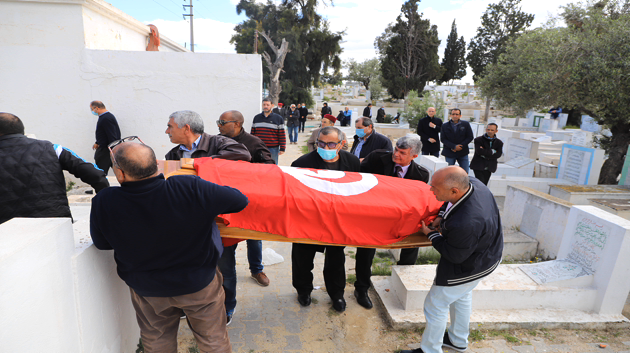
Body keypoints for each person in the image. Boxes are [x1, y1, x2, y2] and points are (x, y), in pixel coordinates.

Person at [90, 138, 249, 353]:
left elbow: (101, 243)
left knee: (157, 343)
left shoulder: (105, 200)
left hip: (148, 290)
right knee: (213, 342)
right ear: (156, 163)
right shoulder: (187, 187)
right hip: (198, 284)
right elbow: (239, 200)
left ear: (120, 174)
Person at [401, 166, 503, 353]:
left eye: (435, 189)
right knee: (461, 296)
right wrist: (441, 215)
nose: (432, 191)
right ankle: (457, 340)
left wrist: (431, 234)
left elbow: (454, 255)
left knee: (435, 304)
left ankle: (430, 350)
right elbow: (450, 205)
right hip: (487, 254)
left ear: (454, 190)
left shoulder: (466, 222)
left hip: (469, 263)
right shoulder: (473, 183)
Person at [355, 134, 430, 309]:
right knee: (366, 251)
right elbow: (358, 179)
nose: (396, 154)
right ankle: (362, 288)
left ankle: (402, 282)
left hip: (401, 218)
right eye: (396, 149)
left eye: (402, 153)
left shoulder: (421, 174)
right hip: (374, 215)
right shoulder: (376, 158)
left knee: (411, 247)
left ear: (414, 156)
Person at [291, 126, 360, 313]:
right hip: (309, 220)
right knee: (302, 259)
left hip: (338, 221)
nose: (324, 147)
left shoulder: (352, 162)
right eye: (321, 143)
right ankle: (303, 291)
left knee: (336, 260)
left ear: (341, 145)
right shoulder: (302, 163)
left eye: (330, 144)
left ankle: (336, 294)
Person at [0, 112, 109, 225]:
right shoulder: (52, 149)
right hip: (56, 226)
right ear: (22, 130)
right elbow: (96, 175)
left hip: (8, 231)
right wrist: (104, 207)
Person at [217, 110, 273, 324]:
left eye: (223, 122)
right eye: (219, 122)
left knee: (254, 237)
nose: (219, 125)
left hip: (250, 203)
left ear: (238, 124)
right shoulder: (217, 141)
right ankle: (226, 301)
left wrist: (245, 173)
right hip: (224, 205)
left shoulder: (254, 143)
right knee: (226, 248)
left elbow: (270, 168)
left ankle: (256, 270)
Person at [164, 110, 251, 161]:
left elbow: (242, 154)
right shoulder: (172, 155)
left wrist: (200, 162)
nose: (167, 131)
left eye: (170, 127)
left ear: (187, 128)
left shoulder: (218, 142)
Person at [251, 98, 287, 164]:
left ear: (272, 105)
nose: (265, 106)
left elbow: (281, 135)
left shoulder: (278, 118)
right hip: (259, 147)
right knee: (259, 166)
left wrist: (282, 148)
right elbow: (252, 133)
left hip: (273, 148)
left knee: (272, 166)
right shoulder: (256, 118)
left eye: (268, 105)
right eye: (264, 104)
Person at [90, 100, 121, 175]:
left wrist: (112, 150)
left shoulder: (106, 118)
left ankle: (102, 187)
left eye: (92, 109)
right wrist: (97, 142)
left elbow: (112, 135)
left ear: (96, 108)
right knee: (116, 170)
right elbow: (104, 133)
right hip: (105, 148)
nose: (92, 111)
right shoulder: (104, 117)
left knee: (100, 173)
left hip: (106, 150)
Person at [440, 109, 473, 173]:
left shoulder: (465, 124)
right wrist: (454, 146)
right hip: (449, 152)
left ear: (460, 115)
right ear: (450, 115)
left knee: (465, 172)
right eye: (453, 114)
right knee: (449, 173)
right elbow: (443, 139)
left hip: (463, 152)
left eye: (457, 114)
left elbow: (470, 137)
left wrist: (461, 146)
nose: (455, 116)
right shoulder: (445, 126)